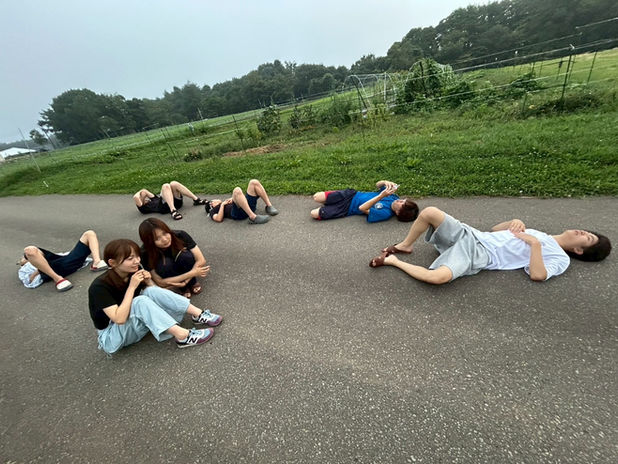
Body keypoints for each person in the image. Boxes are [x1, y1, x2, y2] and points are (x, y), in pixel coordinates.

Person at [369, 206, 611, 284]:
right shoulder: (539, 233)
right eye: (588, 231)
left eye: (587, 238)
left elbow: (538, 275)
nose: (583, 232)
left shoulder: (561, 258)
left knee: (438, 278)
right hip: (477, 236)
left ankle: (394, 261)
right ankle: (406, 245)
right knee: (430, 212)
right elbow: (495, 230)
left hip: (481, 253)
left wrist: (535, 244)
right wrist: (513, 222)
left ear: (579, 250)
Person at [88, 239, 222, 354]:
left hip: (133, 326)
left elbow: (155, 294)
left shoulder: (133, 271)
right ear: (112, 263)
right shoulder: (99, 287)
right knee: (139, 301)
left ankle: (198, 314)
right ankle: (183, 337)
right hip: (111, 337)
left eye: (137, 256)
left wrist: (148, 282)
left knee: (150, 291)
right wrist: (132, 287)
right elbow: (120, 319)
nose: (137, 261)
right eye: (130, 259)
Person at [138, 218, 209, 298]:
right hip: (171, 272)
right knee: (165, 265)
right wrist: (192, 273)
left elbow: (201, 260)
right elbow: (160, 282)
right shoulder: (145, 252)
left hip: (183, 267)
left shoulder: (180, 235)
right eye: (157, 238)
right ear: (149, 242)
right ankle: (183, 288)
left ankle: (192, 282)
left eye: (165, 233)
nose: (164, 239)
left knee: (185, 256)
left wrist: (186, 281)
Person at [17, 230, 108, 291]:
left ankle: (97, 262)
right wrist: (34, 272)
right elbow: (31, 278)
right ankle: (58, 279)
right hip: (52, 271)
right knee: (29, 251)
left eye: (23, 258)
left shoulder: (37, 256)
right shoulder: (26, 268)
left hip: (65, 260)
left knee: (89, 233)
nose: (23, 260)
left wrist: (35, 270)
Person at [311, 180, 419, 223]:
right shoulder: (393, 197)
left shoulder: (385, 213)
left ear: (398, 213)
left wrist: (381, 196)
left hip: (346, 209)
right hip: (351, 195)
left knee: (314, 214)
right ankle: (330, 200)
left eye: (402, 204)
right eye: (403, 200)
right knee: (316, 197)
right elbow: (377, 185)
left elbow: (362, 208)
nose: (400, 200)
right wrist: (385, 182)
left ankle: (330, 203)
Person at [207, 179, 279, 224]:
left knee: (253, 182)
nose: (216, 199)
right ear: (211, 204)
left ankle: (269, 206)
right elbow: (218, 219)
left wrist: (233, 199)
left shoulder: (226, 202)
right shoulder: (213, 210)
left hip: (247, 207)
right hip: (238, 214)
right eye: (214, 200)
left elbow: (240, 198)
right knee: (237, 190)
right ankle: (253, 217)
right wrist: (222, 205)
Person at [133, 180, 208, 221]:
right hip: (165, 208)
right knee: (165, 186)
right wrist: (141, 195)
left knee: (173, 183)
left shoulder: (153, 199)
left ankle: (196, 200)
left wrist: (142, 193)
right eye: (143, 198)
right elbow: (136, 197)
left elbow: (144, 191)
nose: (146, 198)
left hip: (176, 203)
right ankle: (173, 211)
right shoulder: (144, 208)